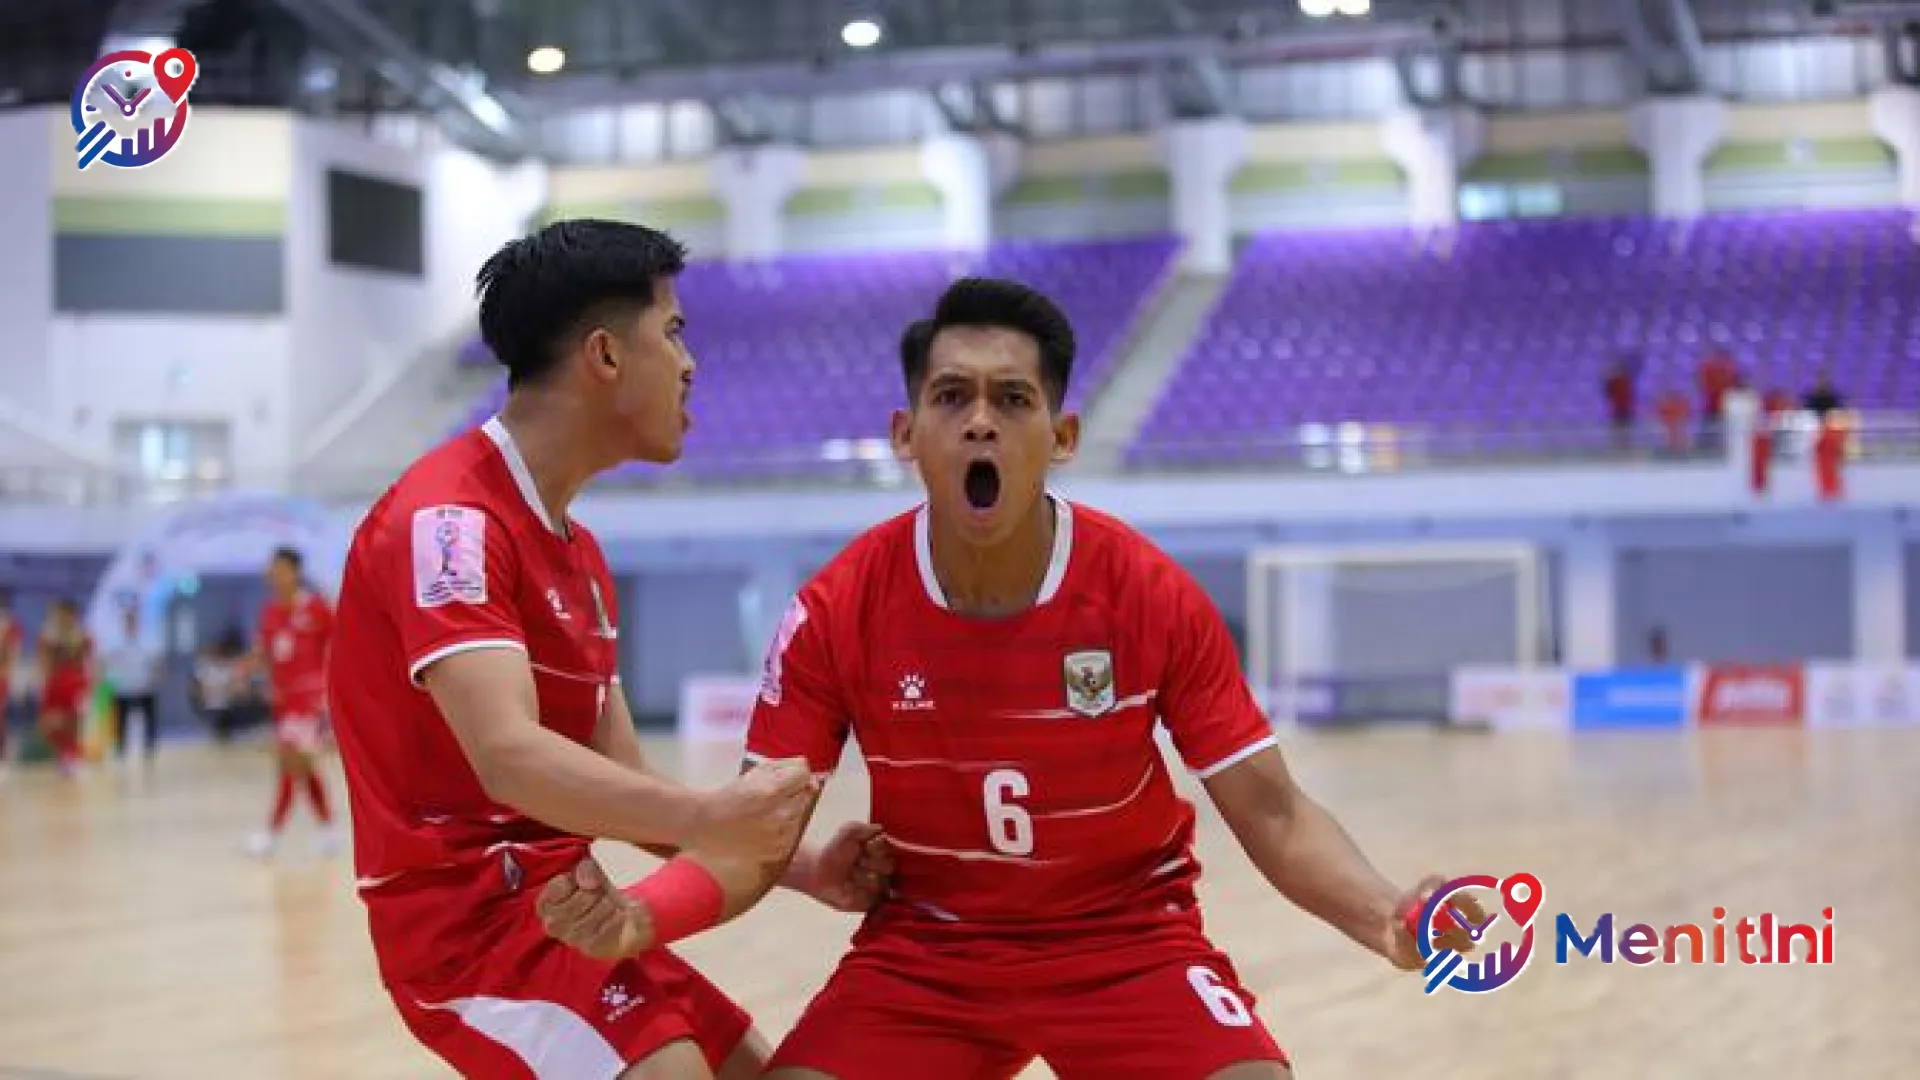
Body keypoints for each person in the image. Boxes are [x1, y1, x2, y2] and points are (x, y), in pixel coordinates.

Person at [539, 278, 1482, 1080]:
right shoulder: (836, 608)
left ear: (1061, 433)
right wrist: (637, 917)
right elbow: (750, 837)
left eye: (1012, 400)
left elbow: (1271, 812)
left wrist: (1387, 914)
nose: (981, 422)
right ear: (906, 433)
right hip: (925, 954)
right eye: (952, 398)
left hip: (1127, 943)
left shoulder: (1147, 593)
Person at [324, 219, 892, 1080]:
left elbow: (625, 789)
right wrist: (714, 817)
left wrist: (808, 870)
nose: (691, 362)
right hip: (465, 939)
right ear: (605, 356)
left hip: (566, 913)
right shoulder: (451, 523)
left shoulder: (582, 559)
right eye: (672, 332)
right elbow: (507, 757)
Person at [245, 547, 343, 857]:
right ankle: (328, 829)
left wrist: (332, 696)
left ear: (294, 571)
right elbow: (265, 653)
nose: (273, 574)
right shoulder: (270, 612)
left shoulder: (316, 608)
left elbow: (340, 646)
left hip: (310, 702)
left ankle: (270, 834)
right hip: (284, 703)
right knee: (302, 768)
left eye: (279, 568)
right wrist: (240, 672)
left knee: (289, 764)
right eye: (271, 568)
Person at [37, 598, 93, 777]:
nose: (63, 617)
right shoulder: (49, 635)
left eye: (67, 614)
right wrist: (44, 680)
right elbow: (44, 660)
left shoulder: (81, 635)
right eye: (60, 614)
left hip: (75, 681)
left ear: (73, 615)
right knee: (51, 723)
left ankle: (74, 757)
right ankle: (64, 755)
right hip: (55, 682)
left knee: (73, 721)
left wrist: (88, 684)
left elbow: (87, 659)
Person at [103, 603, 164, 766]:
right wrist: (108, 684)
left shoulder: (147, 642)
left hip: (145, 687)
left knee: (149, 720)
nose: (131, 623)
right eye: (128, 620)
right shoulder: (114, 643)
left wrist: (157, 676)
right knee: (122, 721)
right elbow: (107, 665)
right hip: (123, 689)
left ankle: (149, 749)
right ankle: (121, 749)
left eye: (134, 620)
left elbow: (156, 663)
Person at [0, 589, 20, 778]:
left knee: (1, 718)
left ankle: (3, 759)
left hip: (1, 676)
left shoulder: (8, 624)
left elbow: (12, 652)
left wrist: (8, 672)